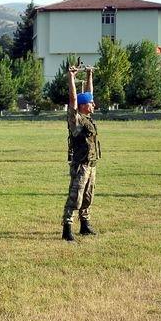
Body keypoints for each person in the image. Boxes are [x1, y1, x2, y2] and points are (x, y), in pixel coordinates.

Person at [61, 65, 100, 242]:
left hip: (91, 164)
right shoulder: (76, 119)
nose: (94, 105)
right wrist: (71, 77)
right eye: (91, 103)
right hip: (80, 165)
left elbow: (89, 92)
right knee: (74, 197)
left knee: (87, 197)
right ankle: (67, 228)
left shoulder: (88, 118)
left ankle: (84, 225)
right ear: (83, 106)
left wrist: (89, 74)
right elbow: (73, 99)